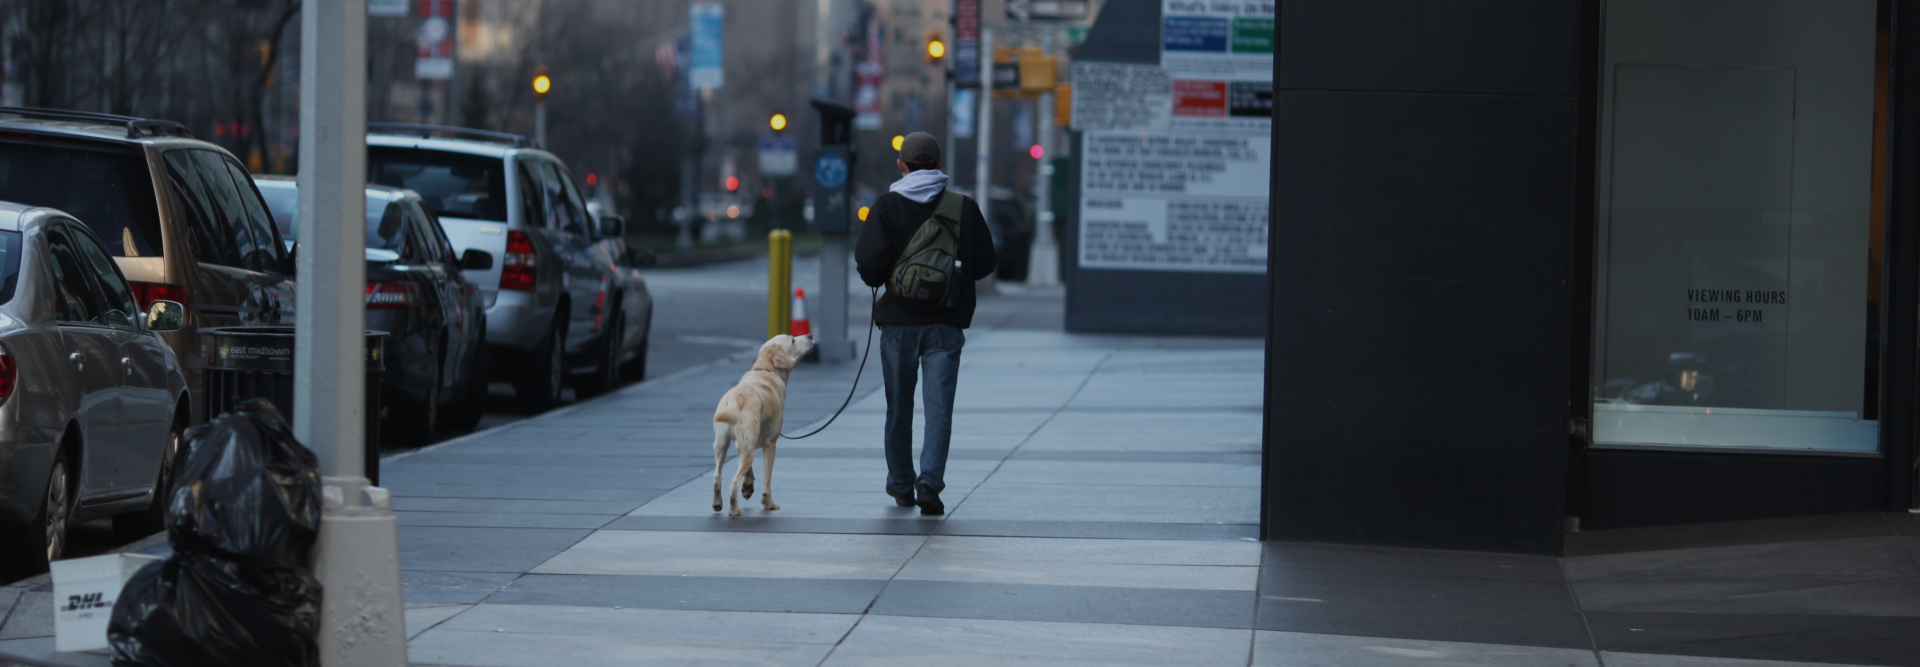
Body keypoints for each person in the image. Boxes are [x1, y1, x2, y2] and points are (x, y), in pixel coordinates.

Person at [855, 131, 997, 515]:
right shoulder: (963, 207)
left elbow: (868, 266)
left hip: (898, 325)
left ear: (901, 166)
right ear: (939, 164)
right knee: (939, 408)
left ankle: (901, 483)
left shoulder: (886, 205)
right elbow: (985, 263)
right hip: (945, 325)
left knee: (898, 406)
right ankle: (930, 484)